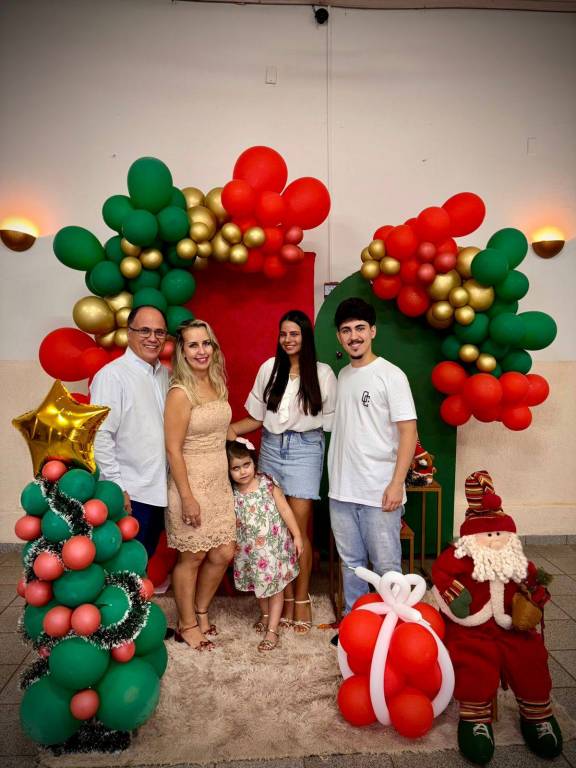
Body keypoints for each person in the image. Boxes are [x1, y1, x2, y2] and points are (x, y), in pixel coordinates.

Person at [432, 470, 563, 765]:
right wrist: (456, 596)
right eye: (487, 535)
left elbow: (534, 580)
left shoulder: (516, 559)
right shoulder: (458, 557)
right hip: (472, 628)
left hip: (512, 626)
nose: (494, 541)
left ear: (510, 536)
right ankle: (475, 717)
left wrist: (536, 598)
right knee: (473, 662)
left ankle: (537, 714)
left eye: (500, 534)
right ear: (470, 538)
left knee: (530, 657)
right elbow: (440, 574)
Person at [229, 309, 337, 634]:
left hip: (305, 448)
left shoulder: (323, 373)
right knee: (274, 529)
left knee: (297, 530)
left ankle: (301, 598)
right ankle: (283, 597)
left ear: (306, 337)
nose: (288, 340)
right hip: (272, 448)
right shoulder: (269, 369)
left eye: (295, 334)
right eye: (284, 334)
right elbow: (257, 418)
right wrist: (227, 430)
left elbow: (334, 422)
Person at [328, 297, 418, 619]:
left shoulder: (391, 375)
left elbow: (409, 432)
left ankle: (392, 628)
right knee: (351, 565)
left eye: (360, 328)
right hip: (342, 491)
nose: (354, 336)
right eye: (346, 330)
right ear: (339, 337)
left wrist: (396, 484)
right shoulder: (343, 376)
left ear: (373, 331)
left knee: (387, 568)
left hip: (379, 492)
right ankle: (355, 624)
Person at [164, 319, 236, 651]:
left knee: (223, 551)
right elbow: (173, 449)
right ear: (182, 351)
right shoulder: (180, 392)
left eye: (206, 343)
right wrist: (187, 497)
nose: (201, 350)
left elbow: (221, 430)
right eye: (193, 345)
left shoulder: (216, 382)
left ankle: (201, 609)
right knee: (192, 556)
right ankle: (187, 623)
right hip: (190, 482)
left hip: (219, 482)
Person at [91, 305, 169, 557]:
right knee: (125, 565)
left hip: (159, 489)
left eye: (159, 332)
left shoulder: (164, 374)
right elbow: (100, 435)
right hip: (131, 493)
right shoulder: (112, 376)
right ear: (129, 332)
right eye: (144, 330)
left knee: (144, 560)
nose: (152, 338)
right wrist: (117, 487)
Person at [227, 438, 303, 652]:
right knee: (259, 587)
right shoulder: (233, 493)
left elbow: (285, 509)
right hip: (251, 552)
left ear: (254, 462)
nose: (243, 471)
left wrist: (297, 535)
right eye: (235, 468)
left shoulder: (267, 484)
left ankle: (272, 630)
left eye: (246, 464)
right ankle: (266, 614)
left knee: (275, 588)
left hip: (273, 548)